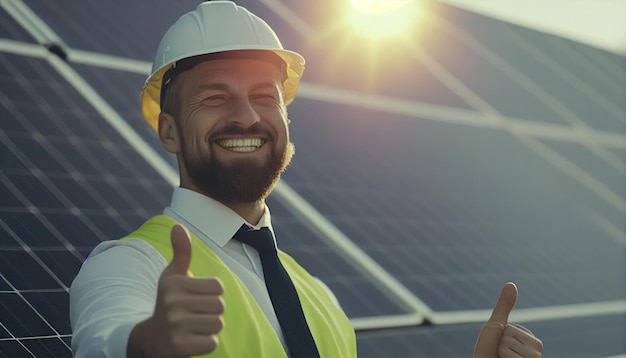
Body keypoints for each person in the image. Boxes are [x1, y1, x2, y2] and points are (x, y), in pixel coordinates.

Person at [69, 1, 543, 357]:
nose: (246, 116)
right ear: (168, 130)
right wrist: (145, 343)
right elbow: (102, 336)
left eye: (264, 96)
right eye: (214, 97)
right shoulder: (131, 266)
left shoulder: (320, 299)